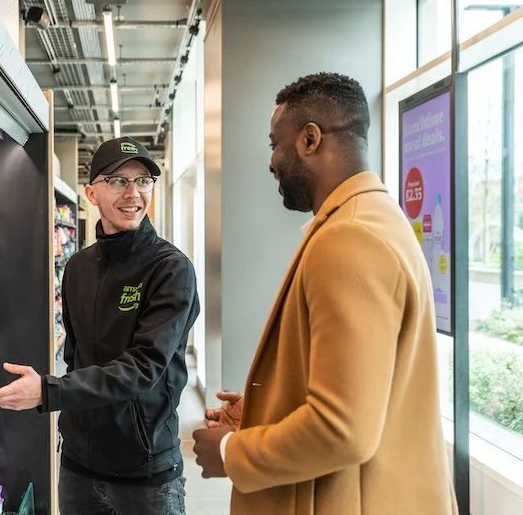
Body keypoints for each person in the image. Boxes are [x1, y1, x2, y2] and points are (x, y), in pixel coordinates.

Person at [191, 72, 458, 515]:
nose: (271, 160)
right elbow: (364, 389)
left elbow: (343, 429)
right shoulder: (376, 218)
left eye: (275, 142)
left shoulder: (349, 238)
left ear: (310, 138)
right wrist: (268, 408)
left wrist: (230, 452)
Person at [0, 136, 200, 515]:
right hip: (79, 467)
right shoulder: (78, 267)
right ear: (91, 193)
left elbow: (144, 368)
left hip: (144, 470)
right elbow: (76, 358)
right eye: (118, 181)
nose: (133, 193)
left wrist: (49, 391)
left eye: (143, 181)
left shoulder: (170, 269)